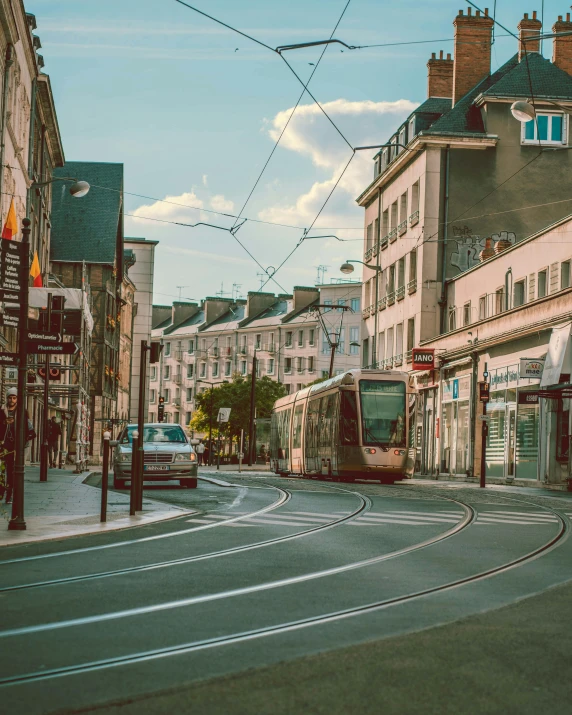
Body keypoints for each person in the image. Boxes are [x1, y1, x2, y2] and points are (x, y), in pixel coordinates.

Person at [0, 388, 24, 504]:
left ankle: (9, 495)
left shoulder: (20, 412)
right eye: (10, 397)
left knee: (11, 471)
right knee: (1, 470)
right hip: (2, 446)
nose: (12, 400)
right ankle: (1, 493)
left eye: (14, 398)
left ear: (17, 399)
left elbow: (29, 431)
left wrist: (20, 446)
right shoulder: (1, 411)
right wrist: (4, 423)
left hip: (13, 447)